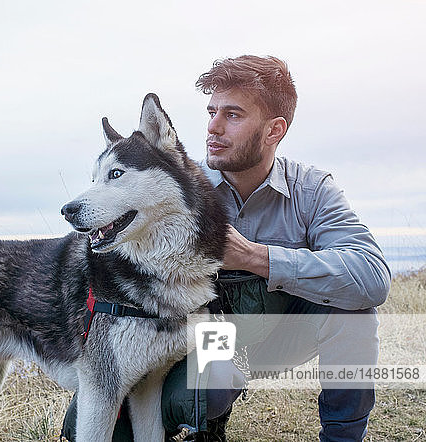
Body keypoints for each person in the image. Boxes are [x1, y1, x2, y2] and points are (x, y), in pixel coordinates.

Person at [62, 55, 391, 441]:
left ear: (274, 131)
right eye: (211, 111)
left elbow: (373, 276)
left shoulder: (313, 190)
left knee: (354, 308)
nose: (213, 127)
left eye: (232, 115)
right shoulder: (175, 188)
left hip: (278, 336)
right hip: (205, 340)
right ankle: (199, 426)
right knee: (109, 422)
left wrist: (254, 256)